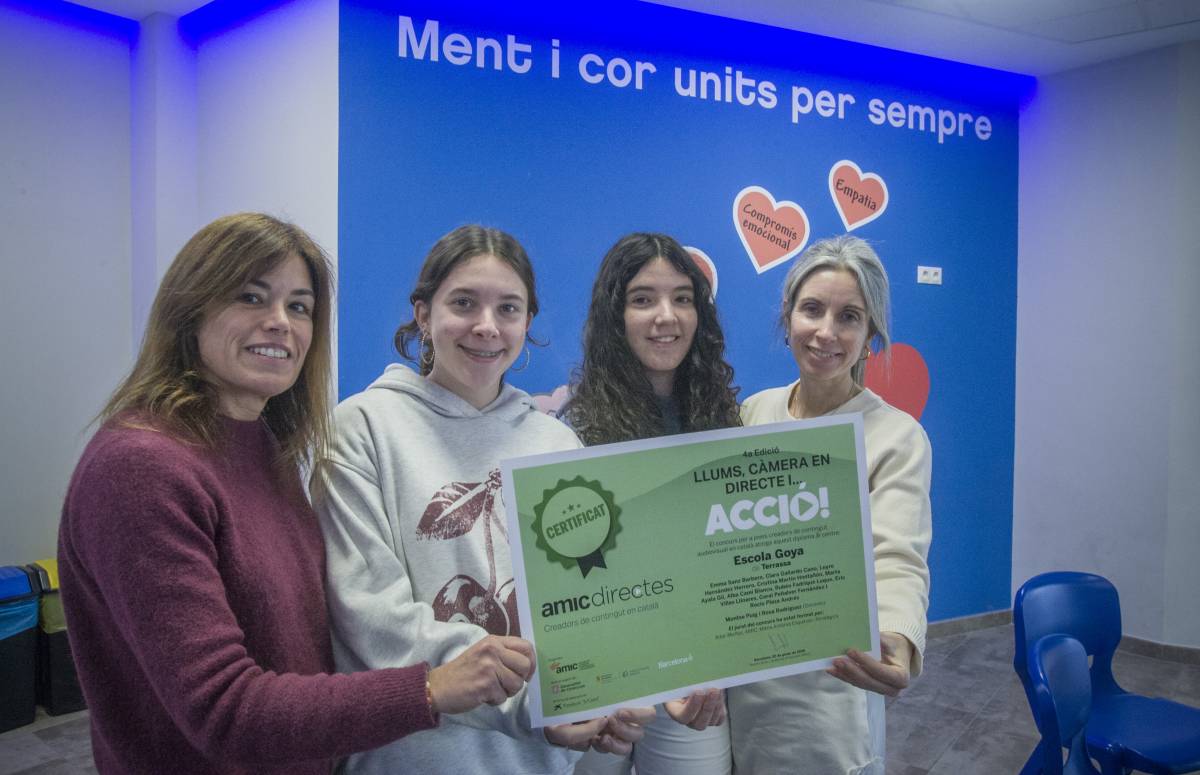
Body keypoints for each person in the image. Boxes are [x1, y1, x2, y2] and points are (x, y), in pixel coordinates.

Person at [58, 213, 539, 775]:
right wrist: (430, 688)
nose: (279, 323)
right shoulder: (141, 467)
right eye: (250, 297)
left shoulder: (265, 446)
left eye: (299, 307)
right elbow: (222, 708)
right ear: (190, 311)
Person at [310, 225, 654, 775]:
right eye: (464, 303)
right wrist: (530, 705)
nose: (487, 327)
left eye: (508, 308)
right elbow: (372, 618)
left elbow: (592, 608)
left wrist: (620, 693)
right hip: (409, 759)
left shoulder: (555, 442)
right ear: (423, 314)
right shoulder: (363, 429)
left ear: (528, 323)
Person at [727, 234, 932, 774]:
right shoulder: (752, 413)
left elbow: (898, 555)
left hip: (831, 688)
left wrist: (897, 639)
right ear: (788, 316)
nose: (826, 332)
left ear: (869, 336)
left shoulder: (895, 437)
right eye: (812, 309)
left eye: (849, 317)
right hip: (744, 681)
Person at [561, 232, 740, 775]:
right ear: (615, 315)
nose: (667, 316)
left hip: (695, 673)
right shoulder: (570, 431)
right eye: (643, 299)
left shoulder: (725, 419)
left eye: (683, 298)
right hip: (603, 678)